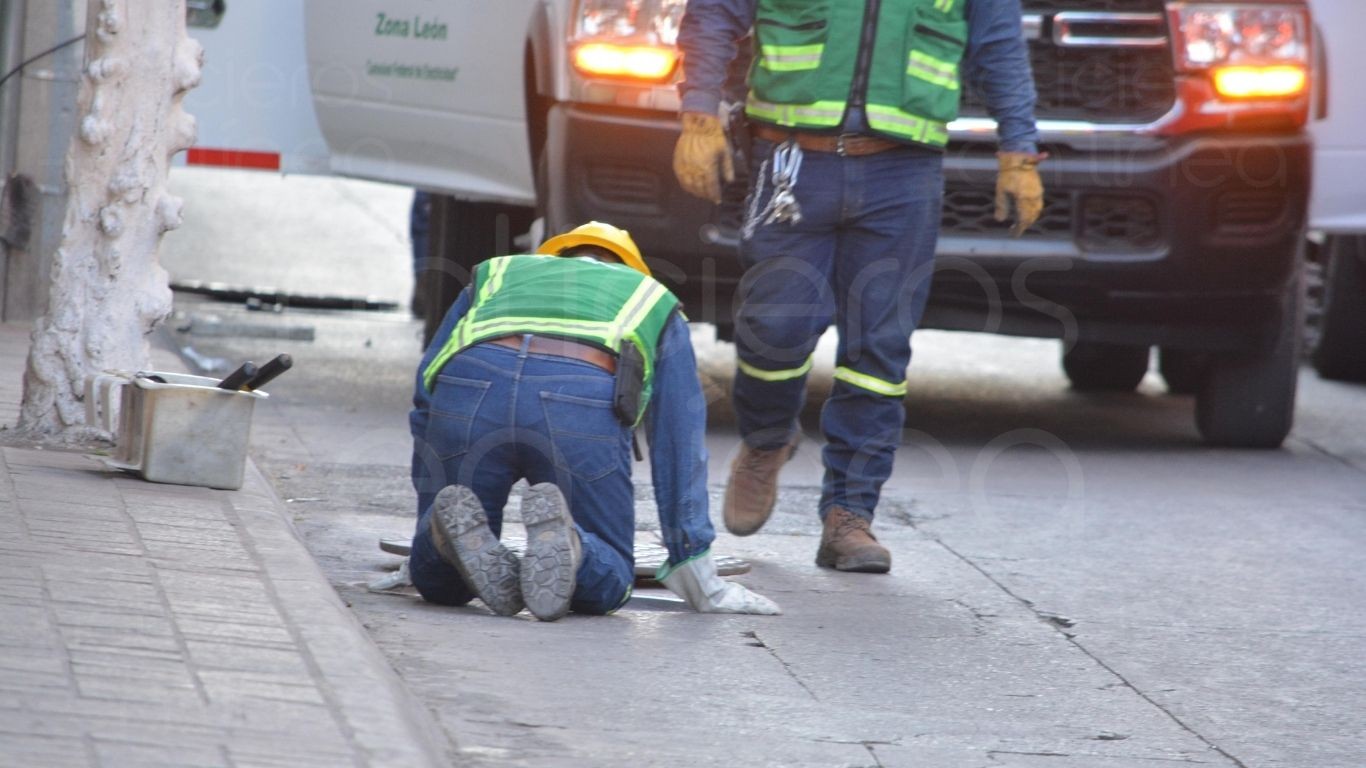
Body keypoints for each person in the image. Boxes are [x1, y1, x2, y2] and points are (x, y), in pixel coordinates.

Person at [673, 0, 1043, 573]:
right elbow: (715, 12)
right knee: (775, 328)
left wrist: (1019, 149)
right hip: (792, 158)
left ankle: (850, 514)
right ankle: (768, 437)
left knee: (880, 347)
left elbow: (997, 41)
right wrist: (698, 113)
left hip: (903, 170)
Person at [407, 221, 780, 620]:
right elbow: (677, 441)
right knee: (612, 581)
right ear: (631, 267)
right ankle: (575, 547)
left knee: (445, 584)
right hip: (576, 400)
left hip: (471, 386)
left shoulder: (496, 273)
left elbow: (427, 392)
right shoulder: (652, 298)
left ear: (552, 256)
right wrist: (693, 561)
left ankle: (437, 537)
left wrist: (428, 509)